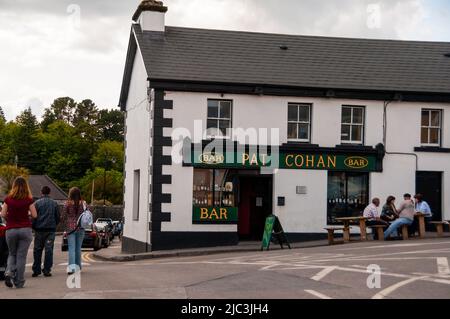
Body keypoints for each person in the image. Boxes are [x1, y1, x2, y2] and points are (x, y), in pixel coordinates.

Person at [0, 177, 37, 288]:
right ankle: (19, 281)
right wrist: (27, 215)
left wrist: (9, 217)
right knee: (21, 256)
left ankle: (8, 272)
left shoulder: (8, 199)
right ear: (26, 186)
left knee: (12, 254)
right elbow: (35, 215)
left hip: (11, 229)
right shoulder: (28, 199)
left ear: (14, 186)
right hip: (25, 230)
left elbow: (2, 214)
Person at [32, 186, 60, 277]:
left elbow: (34, 217)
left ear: (41, 192)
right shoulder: (54, 203)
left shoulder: (37, 203)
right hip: (50, 230)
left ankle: (36, 270)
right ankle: (47, 270)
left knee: (37, 250)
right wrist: (54, 225)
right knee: (49, 250)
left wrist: (34, 227)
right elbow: (58, 217)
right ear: (50, 192)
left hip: (39, 230)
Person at [61, 187, 86, 275]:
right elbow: (88, 214)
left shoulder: (67, 203)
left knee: (71, 248)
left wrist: (65, 222)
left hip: (70, 229)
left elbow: (63, 216)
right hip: (81, 228)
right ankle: (78, 267)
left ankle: (71, 269)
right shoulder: (83, 203)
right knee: (78, 248)